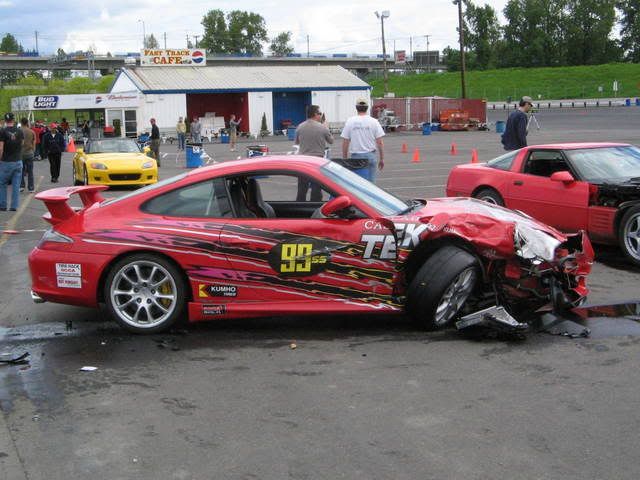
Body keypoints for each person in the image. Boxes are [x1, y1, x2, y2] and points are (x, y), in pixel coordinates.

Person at [294, 105, 333, 201]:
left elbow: (296, 142)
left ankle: (299, 206)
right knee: (316, 187)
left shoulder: (300, 126)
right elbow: (331, 141)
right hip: (317, 160)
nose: (320, 115)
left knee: (302, 187)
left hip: (303, 160)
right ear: (315, 114)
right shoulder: (322, 128)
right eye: (319, 113)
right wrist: (327, 128)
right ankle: (314, 205)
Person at [341, 98, 385, 182]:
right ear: (367, 107)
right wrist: (382, 159)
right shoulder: (374, 122)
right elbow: (380, 142)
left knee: (358, 184)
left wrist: (345, 159)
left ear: (356, 107)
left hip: (356, 157)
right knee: (371, 184)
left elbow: (345, 142)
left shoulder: (350, 121)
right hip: (370, 155)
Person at [0, 113, 25, 211]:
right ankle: (14, 206)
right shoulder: (19, 131)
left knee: (2, 183)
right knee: (16, 184)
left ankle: (3, 205)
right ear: (13, 120)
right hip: (18, 160)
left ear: (5, 121)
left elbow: (1, 148)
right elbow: (22, 144)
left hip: (6, 161)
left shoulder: (2, 131)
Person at [19, 118, 35, 193]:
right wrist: (33, 150)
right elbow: (34, 142)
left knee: (21, 171)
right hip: (30, 153)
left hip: (20, 154)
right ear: (27, 123)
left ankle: (21, 186)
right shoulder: (31, 131)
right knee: (30, 171)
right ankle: (31, 187)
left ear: (21, 123)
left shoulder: (18, 131)